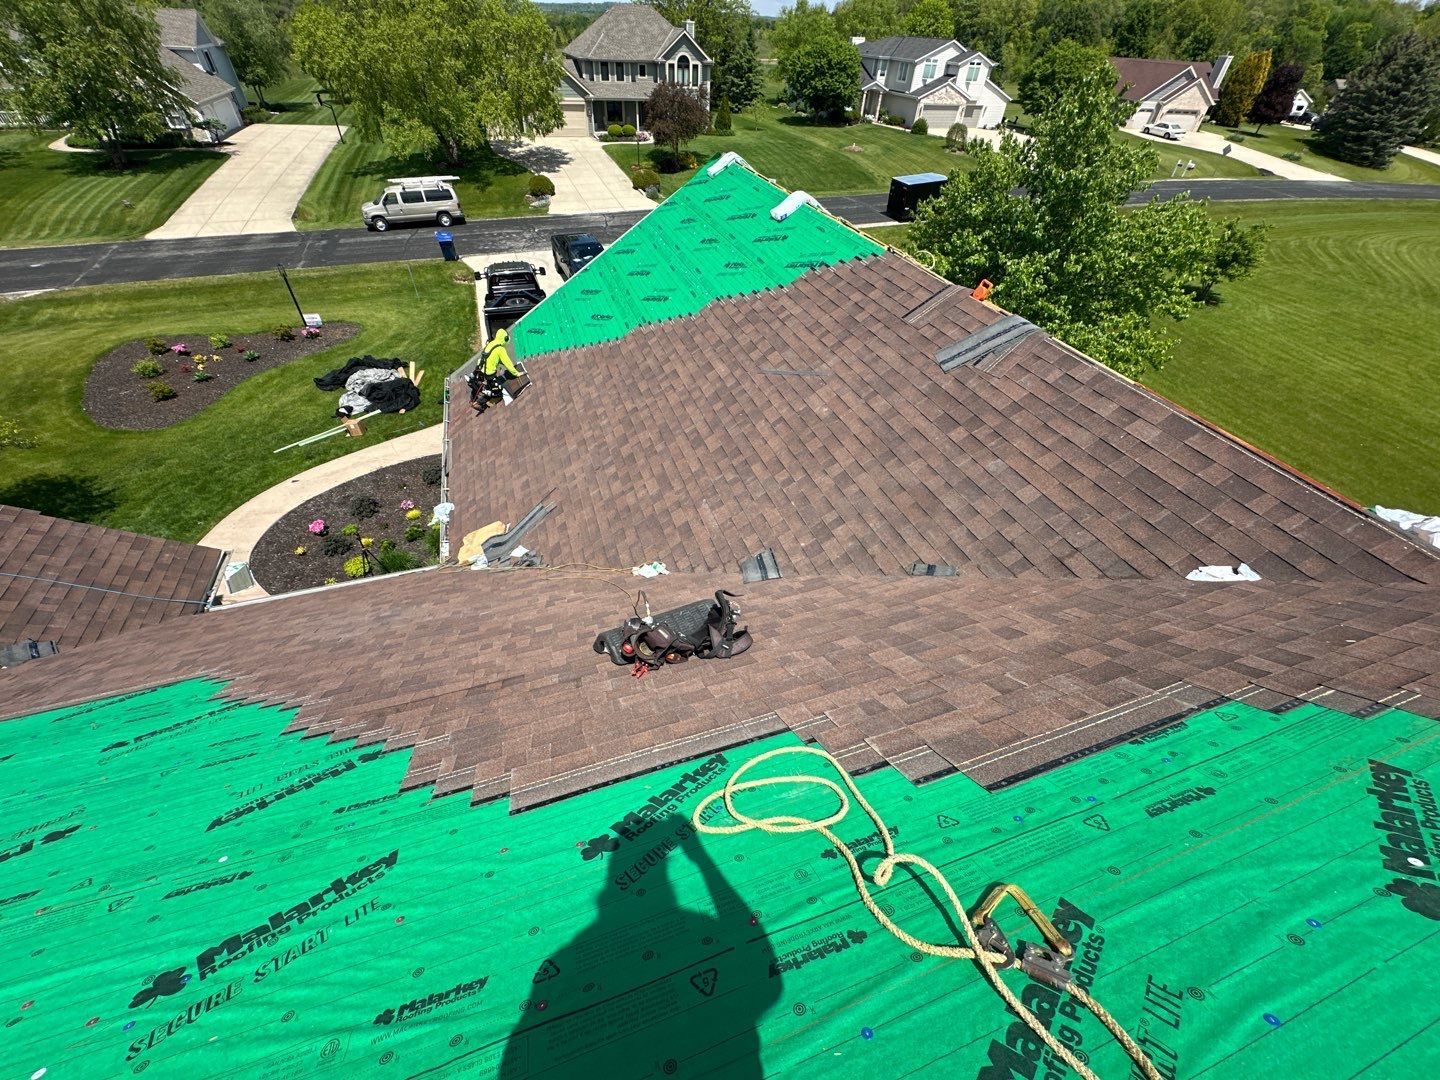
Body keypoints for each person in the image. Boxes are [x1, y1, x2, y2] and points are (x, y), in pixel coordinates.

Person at [469, 327, 524, 414]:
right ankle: (478, 403)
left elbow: (493, 358)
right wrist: (516, 373)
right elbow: (508, 363)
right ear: (505, 339)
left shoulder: (491, 343)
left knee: (478, 385)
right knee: (495, 390)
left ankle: (472, 399)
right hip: (489, 373)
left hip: (479, 369)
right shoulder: (500, 349)